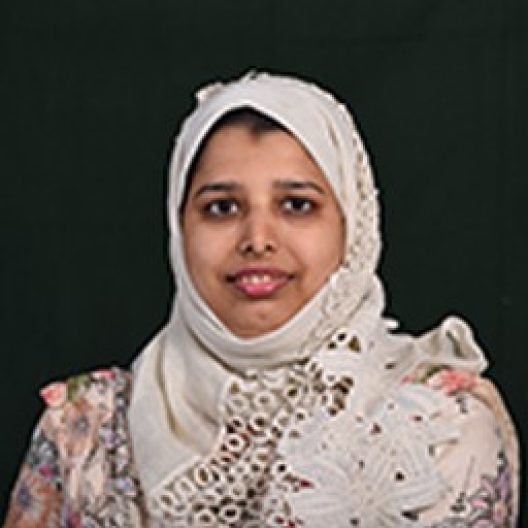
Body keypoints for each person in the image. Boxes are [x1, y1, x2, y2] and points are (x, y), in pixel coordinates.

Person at [4, 72, 519, 527]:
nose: (257, 239)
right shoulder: (83, 428)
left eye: (297, 205)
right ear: (179, 230)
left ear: (353, 228)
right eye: (222, 208)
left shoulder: (436, 423)